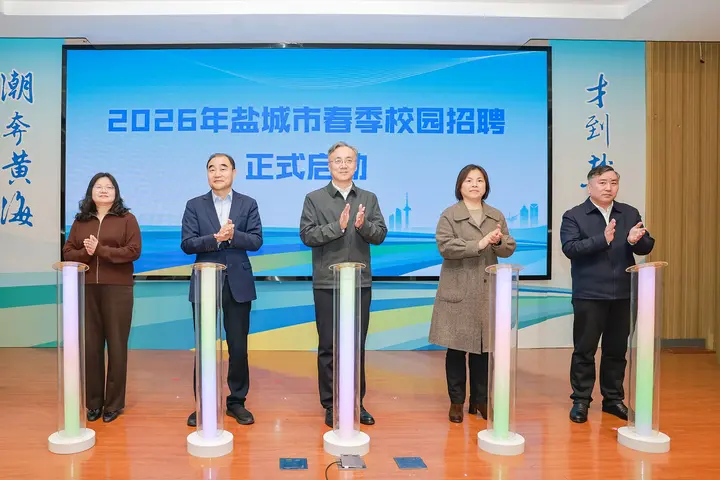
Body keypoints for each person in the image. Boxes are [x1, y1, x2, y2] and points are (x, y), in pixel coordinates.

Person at [299, 141, 387, 428]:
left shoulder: (369, 198)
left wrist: (363, 225)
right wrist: (337, 227)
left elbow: (380, 235)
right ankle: (331, 403)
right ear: (329, 165)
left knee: (356, 345)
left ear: (356, 165)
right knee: (328, 346)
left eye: (349, 160)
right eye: (338, 160)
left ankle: (356, 401)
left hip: (359, 283)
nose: (343, 165)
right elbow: (307, 235)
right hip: (328, 283)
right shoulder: (314, 198)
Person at [560, 165, 654, 424]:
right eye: (602, 182)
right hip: (589, 294)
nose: (608, 187)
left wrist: (636, 240)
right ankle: (581, 400)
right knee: (585, 350)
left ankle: (613, 399)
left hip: (623, 293)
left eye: (613, 182)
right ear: (589, 186)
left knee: (616, 350)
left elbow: (646, 246)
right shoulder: (574, 215)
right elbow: (570, 248)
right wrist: (602, 239)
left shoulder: (629, 213)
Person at [428, 164, 516, 423]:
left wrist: (498, 241)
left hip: (487, 291)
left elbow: (508, 247)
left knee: (484, 350)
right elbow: (445, 247)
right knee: (456, 350)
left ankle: (481, 400)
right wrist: (478, 243)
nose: (475, 184)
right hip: (459, 289)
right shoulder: (450, 215)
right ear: (460, 186)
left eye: (480, 180)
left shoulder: (495, 215)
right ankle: (456, 402)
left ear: (486, 186)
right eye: (469, 180)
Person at [181, 153, 263, 427]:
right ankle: (203, 403)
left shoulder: (248, 203)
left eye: (223, 168)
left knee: (238, 347)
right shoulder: (194, 205)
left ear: (234, 173)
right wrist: (215, 239)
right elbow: (187, 244)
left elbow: (256, 240)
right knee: (204, 345)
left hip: (237, 283)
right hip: (205, 281)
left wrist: (233, 236)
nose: (217, 173)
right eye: (212, 169)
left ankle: (236, 401)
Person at [62, 172, 142, 423]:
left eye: (109, 187)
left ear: (116, 192)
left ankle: (114, 404)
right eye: (99, 186)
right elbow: (68, 251)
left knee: (117, 346)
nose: (104, 190)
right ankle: (94, 403)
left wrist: (101, 250)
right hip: (87, 287)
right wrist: (87, 254)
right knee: (91, 347)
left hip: (118, 289)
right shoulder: (81, 221)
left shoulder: (127, 219)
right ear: (91, 192)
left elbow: (133, 251)